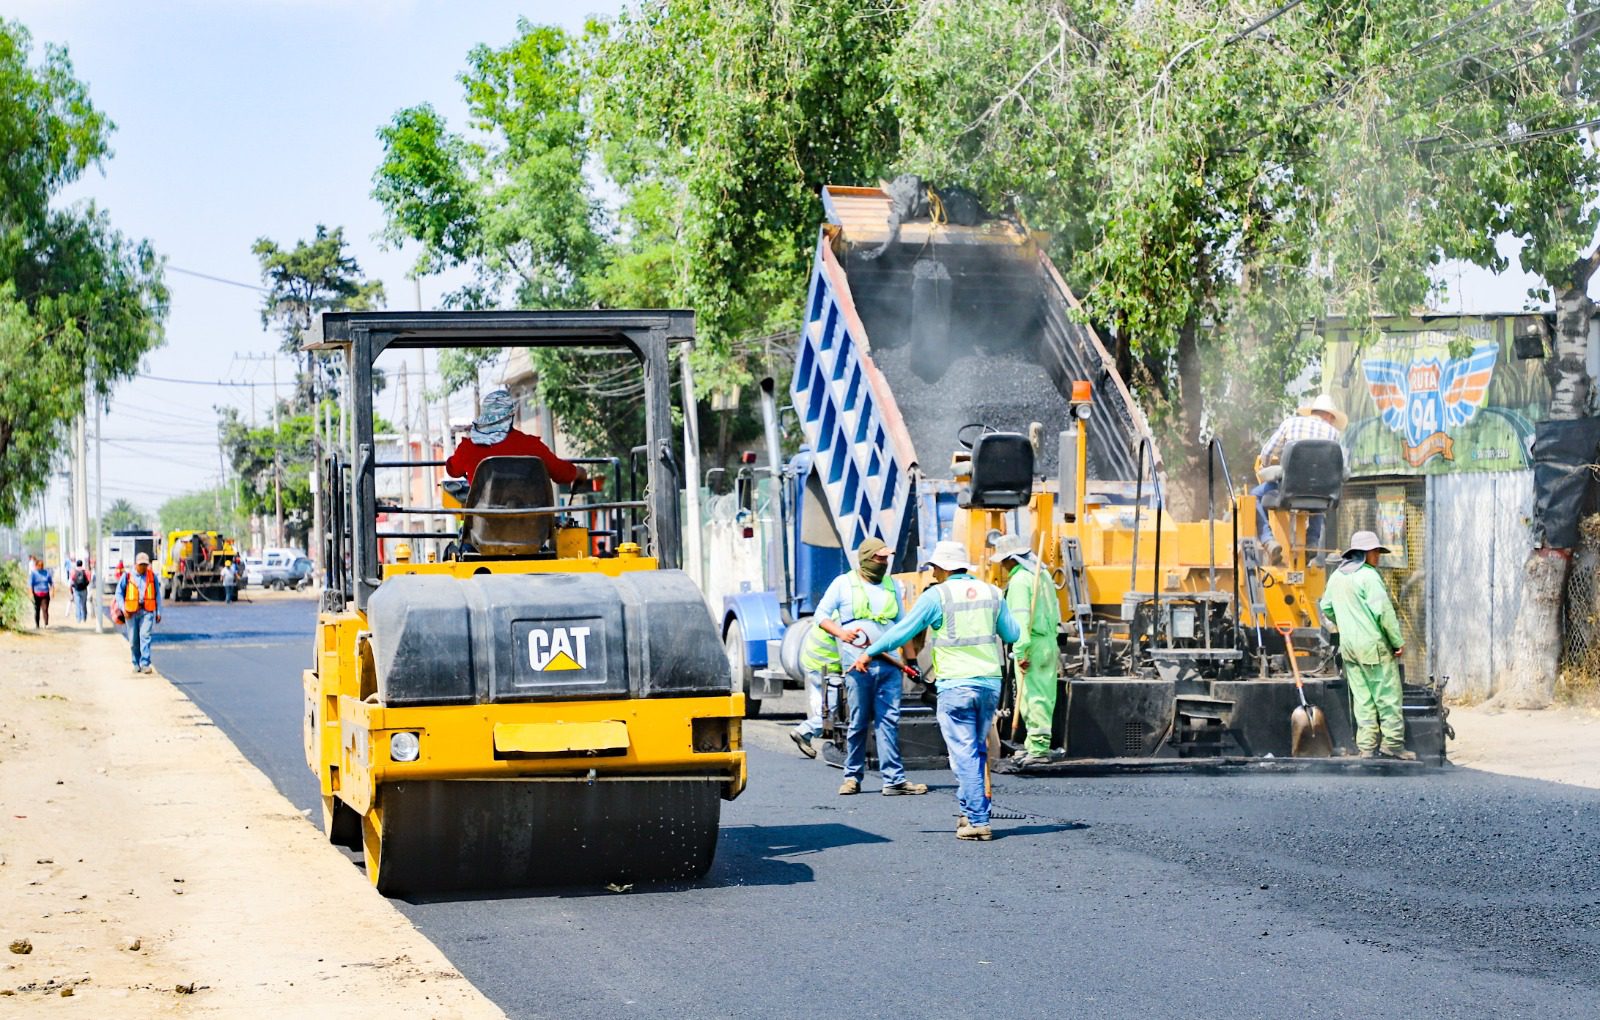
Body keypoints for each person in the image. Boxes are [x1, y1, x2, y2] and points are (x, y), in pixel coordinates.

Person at [854, 540, 1021, 841]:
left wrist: (869, 652)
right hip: (988, 684)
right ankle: (970, 810)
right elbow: (1013, 633)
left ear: (941, 567)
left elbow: (901, 632)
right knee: (976, 749)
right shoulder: (993, 593)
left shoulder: (937, 596)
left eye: (934, 568)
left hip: (956, 686)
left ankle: (977, 819)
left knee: (965, 753)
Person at [794, 538, 928, 798]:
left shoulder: (891, 585)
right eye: (880, 558)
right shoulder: (844, 584)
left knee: (889, 721)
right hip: (858, 664)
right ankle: (852, 776)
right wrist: (841, 634)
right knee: (858, 721)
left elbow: (903, 627)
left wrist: (910, 661)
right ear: (866, 559)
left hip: (889, 664)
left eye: (886, 558)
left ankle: (894, 780)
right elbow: (821, 615)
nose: (884, 563)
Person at [1318, 530, 1414, 761]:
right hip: (1373, 646)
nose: (1378, 557)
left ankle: (1367, 747)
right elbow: (1384, 613)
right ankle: (1392, 745)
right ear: (1364, 553)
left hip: (1349, 646)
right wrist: (1397, 642)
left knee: (1362, 699)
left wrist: (1347, 622)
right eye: (1375, 552)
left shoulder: (1337, 576)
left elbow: (1327, 607)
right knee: (1387, 696)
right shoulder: (1369, 576)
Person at [991, 535, 1061, 768]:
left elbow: (1020, 620)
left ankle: (1039, 749)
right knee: (1044, 694)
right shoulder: (1043, 576)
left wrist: (1021, 652)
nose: (1001, 566)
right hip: (1048, 642)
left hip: (1032, 645)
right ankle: (1034, 745)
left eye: (1003, 561)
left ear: (1011, 560)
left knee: (1033, 696)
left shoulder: (1021, 581)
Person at [1251, 393, 1347, 556]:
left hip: (1288, 491)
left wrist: (1267, 467)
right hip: (1321, 495)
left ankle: (1268, 540)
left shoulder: (1290, 424)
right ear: (1329, 415)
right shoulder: (1334, 435)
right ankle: (1312, 542)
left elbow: (1267, 453)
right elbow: (1340, 467)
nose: (1332, 422)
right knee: (1319, 495)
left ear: (1313, 412)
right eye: (1332, 419)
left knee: (1253, 496)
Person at [444, 388, 585, 488]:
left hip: (485, 525)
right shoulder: (532, 446)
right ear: (511, 416)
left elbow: (453, 470)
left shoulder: (469, 448)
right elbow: (560, 473)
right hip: (530, 526)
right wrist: (578, 472)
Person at [115, 552, 163, 674]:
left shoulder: (152, 576)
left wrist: (158, 612)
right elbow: (119, 593)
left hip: (147, 611)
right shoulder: (127, 576)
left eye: (145, 565)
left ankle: (145, 663)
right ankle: (136, 663)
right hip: (131, 612)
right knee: (133, 641)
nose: (143, 567)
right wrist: (123, 608)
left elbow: (157, 595)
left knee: (145, 636)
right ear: (136, 564)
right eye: (141, 565)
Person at [28, 556, 52, 628]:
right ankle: (37, 625)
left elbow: (51, 583)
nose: (41, 567)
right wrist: (31, 593)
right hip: (36, 594)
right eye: (39, 565)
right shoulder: (33, 574)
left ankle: (46, 624)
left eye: (42, 565)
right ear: (36, 566)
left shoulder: (46, 573)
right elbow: (30, 584)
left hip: (45, 594)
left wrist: (53, 590)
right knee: (37, 610)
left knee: (45, 609)